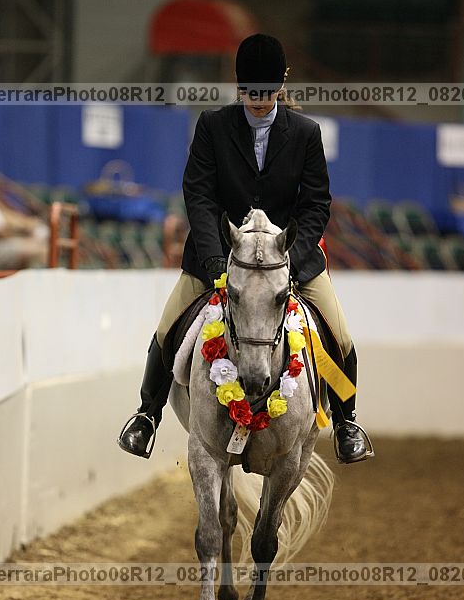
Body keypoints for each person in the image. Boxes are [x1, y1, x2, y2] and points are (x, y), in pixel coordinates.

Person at [118, 34, 369, 464]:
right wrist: (215, 259)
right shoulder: (212, 126)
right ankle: (146, 416)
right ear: (238, 85)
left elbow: (316, 204)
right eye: (250, 92)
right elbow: (199, 195)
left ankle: (347, 422)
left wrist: (291, 258)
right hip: (218, 255)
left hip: (288, 259)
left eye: (266, 92)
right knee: (167, 329)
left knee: (340, 336)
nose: (258, 100)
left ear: (281, 84)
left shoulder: (306, 134)